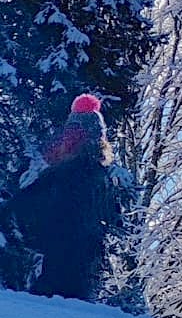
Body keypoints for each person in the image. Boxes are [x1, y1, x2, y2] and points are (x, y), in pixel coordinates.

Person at [4, 95, 133, 303]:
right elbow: (115, 224)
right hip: (86, 282)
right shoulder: (104, 180)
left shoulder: (63, 176)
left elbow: (26, 213)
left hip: (58, 277)